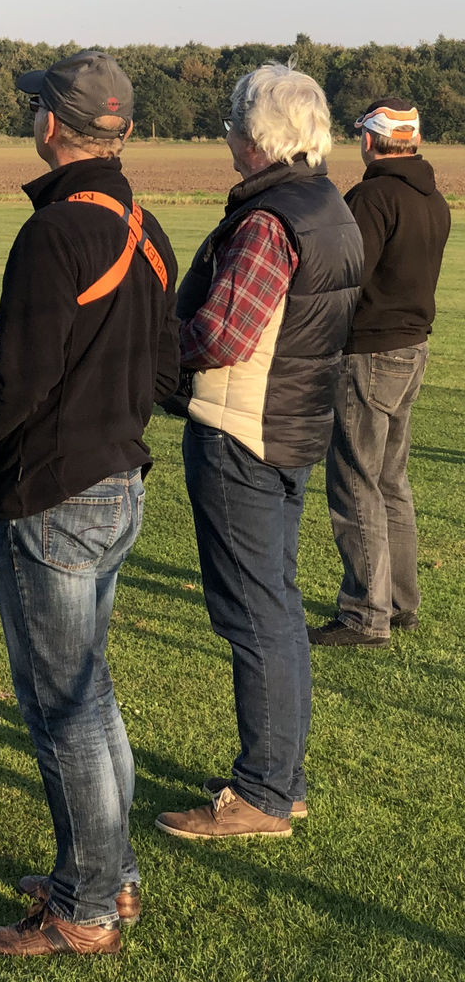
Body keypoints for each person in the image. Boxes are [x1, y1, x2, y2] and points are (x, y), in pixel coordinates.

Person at [0, 51, 179, 956]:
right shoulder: (146, 228)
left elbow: (18, 381)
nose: (31, 118)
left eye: (35, 107)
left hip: (55, 498)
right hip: (120, 486)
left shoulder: (56, 232)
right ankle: (110, 876)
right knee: (90, 698)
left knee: (63, 710)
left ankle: (86, 908)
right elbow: (166, 370)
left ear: (53, 125)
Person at [155, 63, 362, 840]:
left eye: (233, 126)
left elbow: (220, 335)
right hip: (293, 427)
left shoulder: (269, 220)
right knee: (275, 604)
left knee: (255, 615)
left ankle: (265, 792)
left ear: (258, 138)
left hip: (242, 430)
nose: (227, 139)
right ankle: (282, 780)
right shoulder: (329, 205)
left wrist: (150, 346)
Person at [310, 98, 451, 647]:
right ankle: (399, 603)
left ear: (370, 139)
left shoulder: (371, 197)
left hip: (369, 353)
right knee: (391, 480)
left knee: (355, 481)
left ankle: (365, 615)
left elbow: (348, 276)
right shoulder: (433, 198)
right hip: (413, 349)